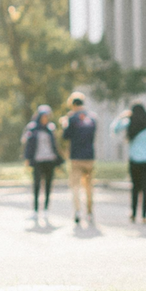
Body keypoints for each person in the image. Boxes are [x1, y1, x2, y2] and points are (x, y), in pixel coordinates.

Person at [59, 91, 98, 225]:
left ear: (73, 105)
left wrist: (64, 123)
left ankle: (77, 211)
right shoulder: (92, 117)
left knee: (75, 186)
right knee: (89, 186)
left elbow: (65, 136)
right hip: (89, 157)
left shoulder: (71, 118)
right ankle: (90, 212)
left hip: (76, 157)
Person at [21, 105, 62, 215]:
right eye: (43, 116)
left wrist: (58, 160)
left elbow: (55, 145)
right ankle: (35, 209)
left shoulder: (51, 128)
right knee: (37, 185)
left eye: (47, 116)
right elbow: (27, 144)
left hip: (50, 160)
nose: (45, 119)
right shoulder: (32, 128)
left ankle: (46, 209)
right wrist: (27, 158)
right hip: (37, 160)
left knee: (48, 185)